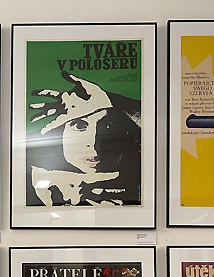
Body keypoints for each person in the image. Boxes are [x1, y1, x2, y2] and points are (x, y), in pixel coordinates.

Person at [26, 71, 142, 207]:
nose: (93, 143)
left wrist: (107, 100)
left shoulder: (139, 177)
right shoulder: (36, 184)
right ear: (60, 132)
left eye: (109, 127)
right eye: (80, 126)